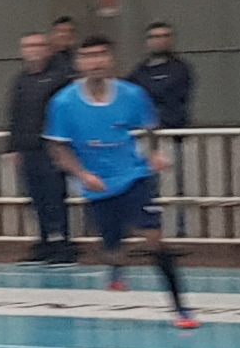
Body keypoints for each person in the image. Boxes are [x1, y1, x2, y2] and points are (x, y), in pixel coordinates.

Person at [47, 36, 199, 329]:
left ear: (111, 59)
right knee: (112, 245)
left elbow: (150, 127)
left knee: (154, 237)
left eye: (102, 55)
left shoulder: (132, 95)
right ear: (79, 63)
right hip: (97, 184)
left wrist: (155, 153)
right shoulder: (63, 103)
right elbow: (58, 148)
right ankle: (116, 266)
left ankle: (181, 308)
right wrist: (82, 175)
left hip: (134, 176)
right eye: (89, 56)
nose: (96, 62)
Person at [6, 29, 77, 263]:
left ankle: (63, 243)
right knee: (35, 198)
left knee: (55, 196)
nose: (33, 50)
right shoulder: (21, 80)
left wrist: (63, 146)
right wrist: (12, 148)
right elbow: (15, 115)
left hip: (51, 148)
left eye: (37, 45)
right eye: (28, 46)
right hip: (28, 149)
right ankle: (45, 241)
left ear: (47, 49)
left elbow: (67, 113)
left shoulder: (60, 77)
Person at [132, 22, 195, 129]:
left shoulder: (181, 69)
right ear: (148, 41)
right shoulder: (139, 71)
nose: (161, 40)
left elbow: (174, 99)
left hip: (173, 133)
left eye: (166, 36)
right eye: (156, 37)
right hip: (145, 132)